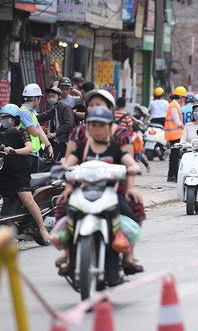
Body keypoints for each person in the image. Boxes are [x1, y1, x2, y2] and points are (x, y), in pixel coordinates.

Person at [60, 106, 143, 274]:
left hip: (110, 194)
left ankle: (127, 253)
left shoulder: (116, 148)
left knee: (129, 213)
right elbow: (68, 165)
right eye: (93, 125)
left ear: (109, 127)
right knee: (65, 211)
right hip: (83, 192)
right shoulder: (82, 147)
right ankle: (69, 254)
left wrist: (132, 168)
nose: (97, 129)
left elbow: (131, 163)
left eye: (102, 125)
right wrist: (65, 175)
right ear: (88, 127)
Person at [0, 104, 51, 246]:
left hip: (19, 171)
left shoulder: (23, 132)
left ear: (15, 119)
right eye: (2, 118)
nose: (3, 120)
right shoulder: (1, 132)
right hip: (3, 170)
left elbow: (29, 148)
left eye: (6, 118)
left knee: (28, 200)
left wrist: (14, 151)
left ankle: (42, 229)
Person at [19, 83, 53, 173]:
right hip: (27, 153)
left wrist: (48, 146)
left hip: (34, 153)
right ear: (35, 98)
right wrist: (39, 131)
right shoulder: (24, 112)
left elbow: (40, 131)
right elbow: (34, 131)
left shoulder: (32, 113)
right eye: (39, 98)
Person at [37, 86, 74, 161]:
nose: (51, 98)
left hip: (64, 142)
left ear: (59, 97)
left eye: (53, 96)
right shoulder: (54, 109)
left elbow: (68, 124)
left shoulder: (66, 108)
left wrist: (55, 133)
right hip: (55, 142)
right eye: (49, 96)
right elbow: (43, 116)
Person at [165, 86, 187, 182]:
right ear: (181, 97)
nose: (184, 99)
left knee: (174, 155)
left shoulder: (174, 105)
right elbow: (177, 122)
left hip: (174, 134)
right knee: (175, 156)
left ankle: (171, 175)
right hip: (174, 135)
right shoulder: (174, 106)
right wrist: (185, 129)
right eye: (184, 97)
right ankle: (174, 176)